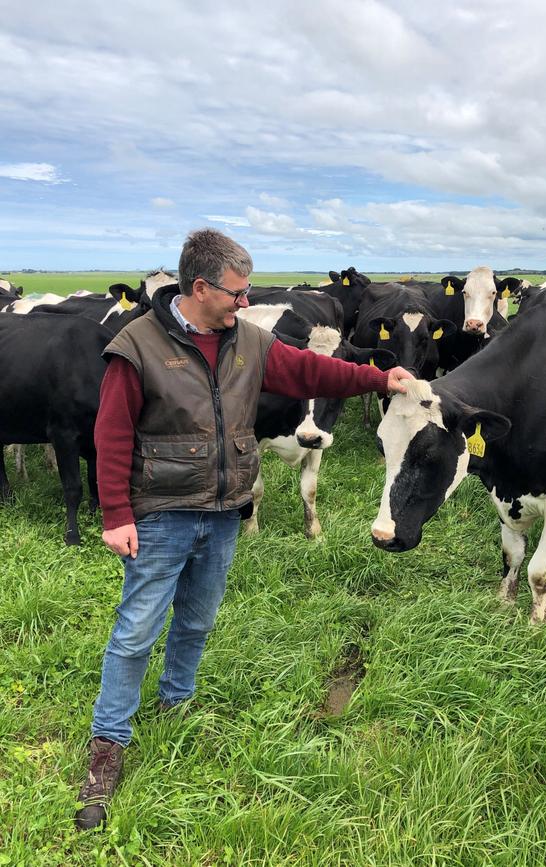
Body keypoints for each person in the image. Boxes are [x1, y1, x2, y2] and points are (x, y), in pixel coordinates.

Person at [74, 228, 414, 830]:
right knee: (136, 629)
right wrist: (115, 516)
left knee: (199, 618)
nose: (244, 299)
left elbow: (312, 373)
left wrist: (378, 380)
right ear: (200, 287)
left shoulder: (249, 341)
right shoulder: (138, 345)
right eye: (236, 291)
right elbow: (112, 433)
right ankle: (109, 741)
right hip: (162, 512)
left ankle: (177, 700)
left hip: (225, 508)